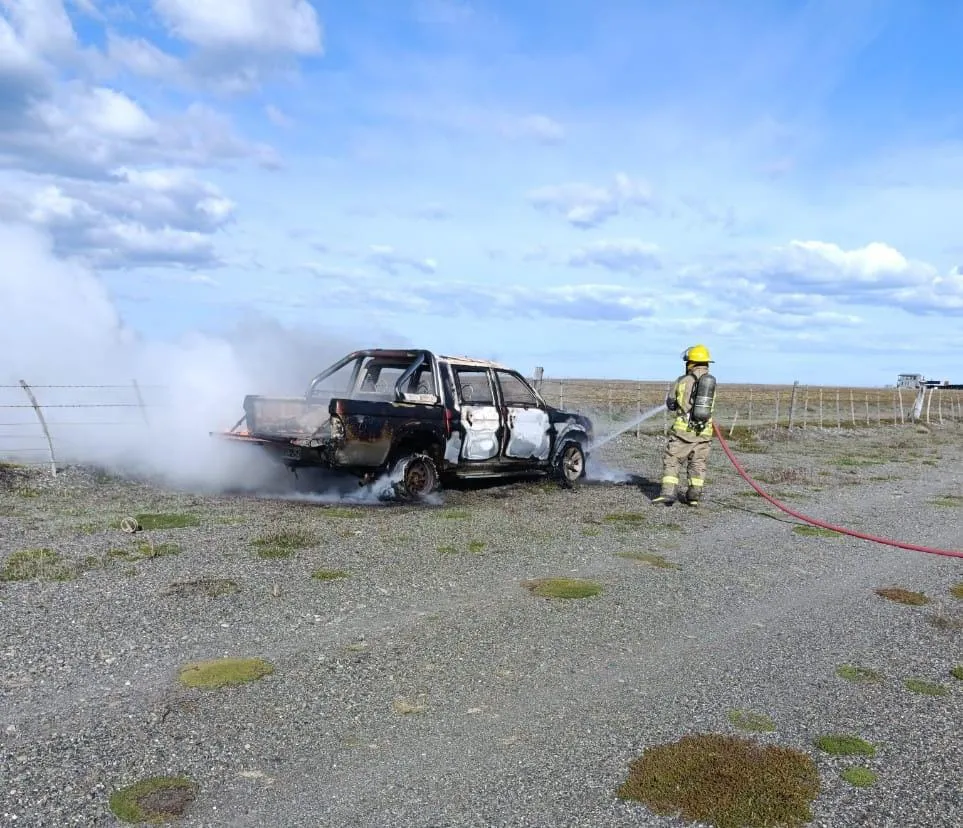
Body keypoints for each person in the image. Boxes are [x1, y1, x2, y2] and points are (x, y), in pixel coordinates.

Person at [653, 344, 717, 506]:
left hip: (683, 433)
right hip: (704, 433)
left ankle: (668, 494)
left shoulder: (682, 381)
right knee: (698, 464)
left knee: (673, 460)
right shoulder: (711, 384)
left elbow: (671, 404)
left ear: (690, 363)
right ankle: (693, 496)